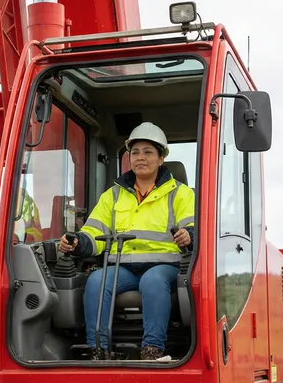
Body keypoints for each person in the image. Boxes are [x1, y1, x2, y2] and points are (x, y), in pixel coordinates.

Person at [59, 122, 194, 361]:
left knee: (153, 281)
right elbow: (94, 232)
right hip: (124, 267)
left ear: (161, 158)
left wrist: (188, 235)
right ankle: (97, 350)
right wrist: (78, 242)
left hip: (166, 267)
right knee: (97, 280)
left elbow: (193, 229)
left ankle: (152, 351)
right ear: (129, 158)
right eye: (135, 152)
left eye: (148, 152)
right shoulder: (112, 195)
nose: (140, 157)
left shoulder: (181, 193)